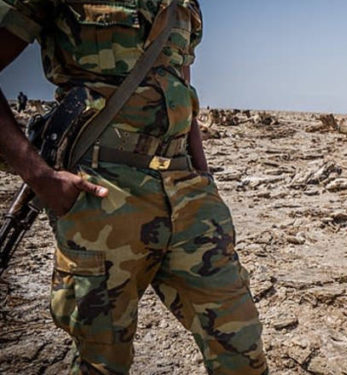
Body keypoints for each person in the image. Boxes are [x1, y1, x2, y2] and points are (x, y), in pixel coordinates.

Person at [0, 1, 268, 374]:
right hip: (103, 192)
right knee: (102, 358)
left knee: (242, 344)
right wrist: (40, 176)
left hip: (187, 190)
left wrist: (203, 178)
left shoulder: (184, 5)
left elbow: (181, 86)